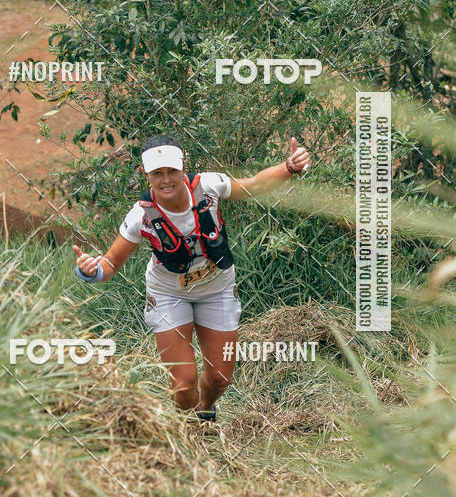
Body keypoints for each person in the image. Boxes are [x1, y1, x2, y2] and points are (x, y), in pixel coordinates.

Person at [73, 135, 310, 422]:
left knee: (221, 377)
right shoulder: (141, 215)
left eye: (171, 171)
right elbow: (110, 262)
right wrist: (90, 270)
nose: (166, 180)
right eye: (157, 173)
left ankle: (206, 409)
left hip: (217, 289)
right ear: (146, 175)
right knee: (183, 385)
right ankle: (190, 428)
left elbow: (253, 186)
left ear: (183, 167)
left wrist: (289, 167)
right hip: (168, 295)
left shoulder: (209, 186)